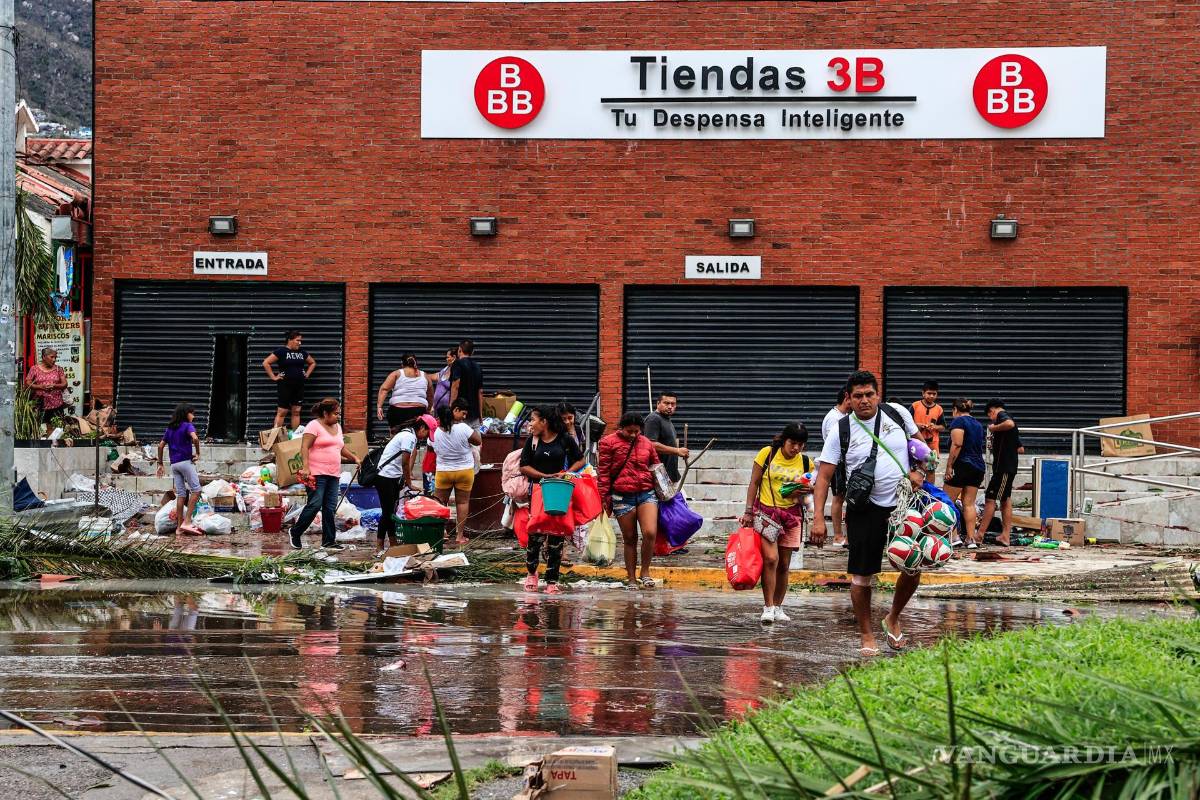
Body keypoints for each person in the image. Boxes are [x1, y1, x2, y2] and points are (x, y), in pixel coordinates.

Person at [812, 370, 923, 657]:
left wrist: (920, 471)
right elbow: (823, 478)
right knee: (862, 577)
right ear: (849, 399)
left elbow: (920, 448)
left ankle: (893, 616)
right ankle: (866, 634)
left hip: (902, 506)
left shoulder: (897, 414)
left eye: (869, 394)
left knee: (913, 567)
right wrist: (818, 520)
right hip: (864, 510)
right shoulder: (841, 430)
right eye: (858, 396)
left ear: (878, 394)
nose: (864, 400)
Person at [740, 423, 813, 624]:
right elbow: (754, 482)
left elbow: (809, 490)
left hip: (792, 517)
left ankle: (779, 607)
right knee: (771, 559)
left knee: (784, 564)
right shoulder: (767, 454)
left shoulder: (807, 463)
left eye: (801, 444)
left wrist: (803, 493)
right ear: (784, 440)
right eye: (792, 443)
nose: (796, 448)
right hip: (766, 514)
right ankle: (768, 607)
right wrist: (748, 511)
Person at [520, 405, 587, 593]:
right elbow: (523, 466)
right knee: (535, 534)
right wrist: (543, 475)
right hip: (538, 490)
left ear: (544, 421)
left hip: (559, 490)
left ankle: (552, 581)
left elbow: (580, 460)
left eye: (533, 420)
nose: (531, 424)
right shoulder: (532, 441)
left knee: (557, 535)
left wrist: (566, 473)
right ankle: (532, 573)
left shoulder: (565, 439)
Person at [598, 412, 661, 590]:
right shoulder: (608, 443)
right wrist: (604, 498)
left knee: (650, 533)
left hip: (646, 493)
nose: (633, 435)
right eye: (629, 431)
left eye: (637, 431)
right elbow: (603, 473)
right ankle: (631, 577)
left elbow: (656, 466)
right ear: (621, 428)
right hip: (621, 496)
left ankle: (646, 572)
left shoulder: (646, 442)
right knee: (630, 538)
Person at [289, 398, 362, 551]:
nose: (338, 416)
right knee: (315, 504)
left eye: (339, 413)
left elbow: (341, 447)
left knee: (330, 508)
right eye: (335, 414)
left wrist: (354, 458)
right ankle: (295, 532)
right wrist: (306, 467)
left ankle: (328, 541)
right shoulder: (314, 425)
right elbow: (304, 447)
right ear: (325, 413)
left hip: (333, 474)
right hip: (316, 473)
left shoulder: (338, 427)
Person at [374, 416, 431, 553]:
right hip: (385, 477)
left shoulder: (407, 434)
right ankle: (380, 546)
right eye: (427, 432)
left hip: (390, 477)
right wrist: (409, 483)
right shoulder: (408, 437)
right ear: (422, 428)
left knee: (391, 512)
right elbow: (405, 463)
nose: (426, 437)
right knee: (388, 513)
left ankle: (393, 545)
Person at [433, 398, 483, 546]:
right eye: (463, 413)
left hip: (443, 472)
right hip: (464, 472)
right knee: (462, 502)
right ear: (454, 411)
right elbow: (478, 441)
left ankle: (442, 533)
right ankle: (459, 536)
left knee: (440, 503)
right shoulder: (463, 428)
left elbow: (431, 447)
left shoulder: (435, 432)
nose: (465, 416)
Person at [942, 398, 987, 549]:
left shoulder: (958, 422)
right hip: (978, 467)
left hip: (961, 465)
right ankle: (970, 539)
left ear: (955, 409)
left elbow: (957, 444)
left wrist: (949, 466)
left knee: (947, 501)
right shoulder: (978, 424)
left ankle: (954, 536)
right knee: (969, 503)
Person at [978, 399, 1020, 547]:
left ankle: (979, 535)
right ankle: (1004, 536)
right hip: (1007, 467)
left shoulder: (1002, 416)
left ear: (992, 410)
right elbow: (1020, 448)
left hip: (1003, 468)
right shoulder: (1009, 426)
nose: (991, 419)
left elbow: (1009, 424)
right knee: (1005, 499)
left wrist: (993, 428)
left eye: (990, 416)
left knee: (990, 498)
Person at [156, 403, 202, 535]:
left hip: (174, 465)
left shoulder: (170, 428)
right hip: (186, 462)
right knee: (197, 490)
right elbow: (195, 438)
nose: (193, 416)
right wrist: (197, 453)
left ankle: (179, 528)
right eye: (192, 413)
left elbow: (160, 446)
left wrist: (160, 464)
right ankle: (187, 521)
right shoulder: (188, 425)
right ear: (186, 414)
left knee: (181, 494)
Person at [263, 330, 316, 430]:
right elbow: (266, 363)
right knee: (282, 411)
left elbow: (312, 363)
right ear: (290, 340)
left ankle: (295, 437)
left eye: (301, 341)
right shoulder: (281, 351)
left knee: (296, 411)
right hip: (285, 385)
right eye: (298, 340)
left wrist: (307, 374)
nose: (300, 343)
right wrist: (273, 377)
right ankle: (276, 437)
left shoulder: (302, 352)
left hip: (299, 385)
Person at [821, 386, 852, 547]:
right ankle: (838, 536)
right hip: (838, 463)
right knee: (838, 498)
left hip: (844, 463)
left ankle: (845, 535)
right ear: (846, 398)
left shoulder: (843, 416)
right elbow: (834, 445)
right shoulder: (834, 418)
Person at [377, 353, 434, 427]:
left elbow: (384, 389)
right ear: (415, 362)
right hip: (419, 411)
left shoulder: (396, 374)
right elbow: (431, 395)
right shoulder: (425, 376)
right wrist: (428, 409)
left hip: (398, 411)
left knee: (395, 433)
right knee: (416, 434)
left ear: (402, 363)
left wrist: (379, 407)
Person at [643, 391, 689, 483]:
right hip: (660, 476)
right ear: (658, 403)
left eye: (673, 404)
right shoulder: (654, 419)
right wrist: (677, 451)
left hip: (670, 474)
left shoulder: (666, 419)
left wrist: (679, 450)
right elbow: (650, 444)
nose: (670, 407)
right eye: (666, 403)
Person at [25, 347, 69, 434]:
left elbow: (65, 384)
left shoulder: (58, 369)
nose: (54, 360)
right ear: (44, 357)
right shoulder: (34, 369)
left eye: (55, 357)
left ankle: (55, 445)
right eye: (52, 357)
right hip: (40, 406)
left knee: (57, 430)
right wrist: (39, 387)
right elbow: (27, 383)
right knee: (41, 430)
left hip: (56, 405)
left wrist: (55, 386)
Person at [910, 381, 945, 476]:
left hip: (932, 444)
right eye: (929, 393)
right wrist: (918, 425)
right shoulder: (915, 406)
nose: (932, 396)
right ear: (923, 393)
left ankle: (929, 490)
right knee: (914, 469)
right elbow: (907, 423)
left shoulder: (939, 409)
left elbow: (943, 427)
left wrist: (935, 427)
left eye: (934, 394)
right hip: (916, 443)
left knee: (930, 470)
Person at [449, 339, 484, 426]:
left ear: (459, 349)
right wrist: (480, 415)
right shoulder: (478, 367)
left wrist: (451, 409)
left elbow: (455, 386)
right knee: (476, 439)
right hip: (474, 414)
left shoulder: (457, 364)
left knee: (460, 438)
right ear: (472, 352)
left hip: (460, 413)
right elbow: (480, 392)